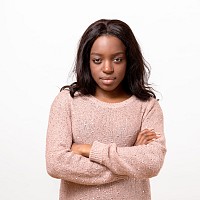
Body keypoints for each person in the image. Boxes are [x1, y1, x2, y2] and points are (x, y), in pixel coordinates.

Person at [46, 19, 166, 200]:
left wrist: (89, 150)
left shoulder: (147, 106)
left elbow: (152, 163)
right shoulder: (67, 101)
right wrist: (130, 160)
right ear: (87, 61)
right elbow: (56, 163)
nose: (108, 68)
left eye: (117, 59)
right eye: (97, 60)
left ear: (129, 60)